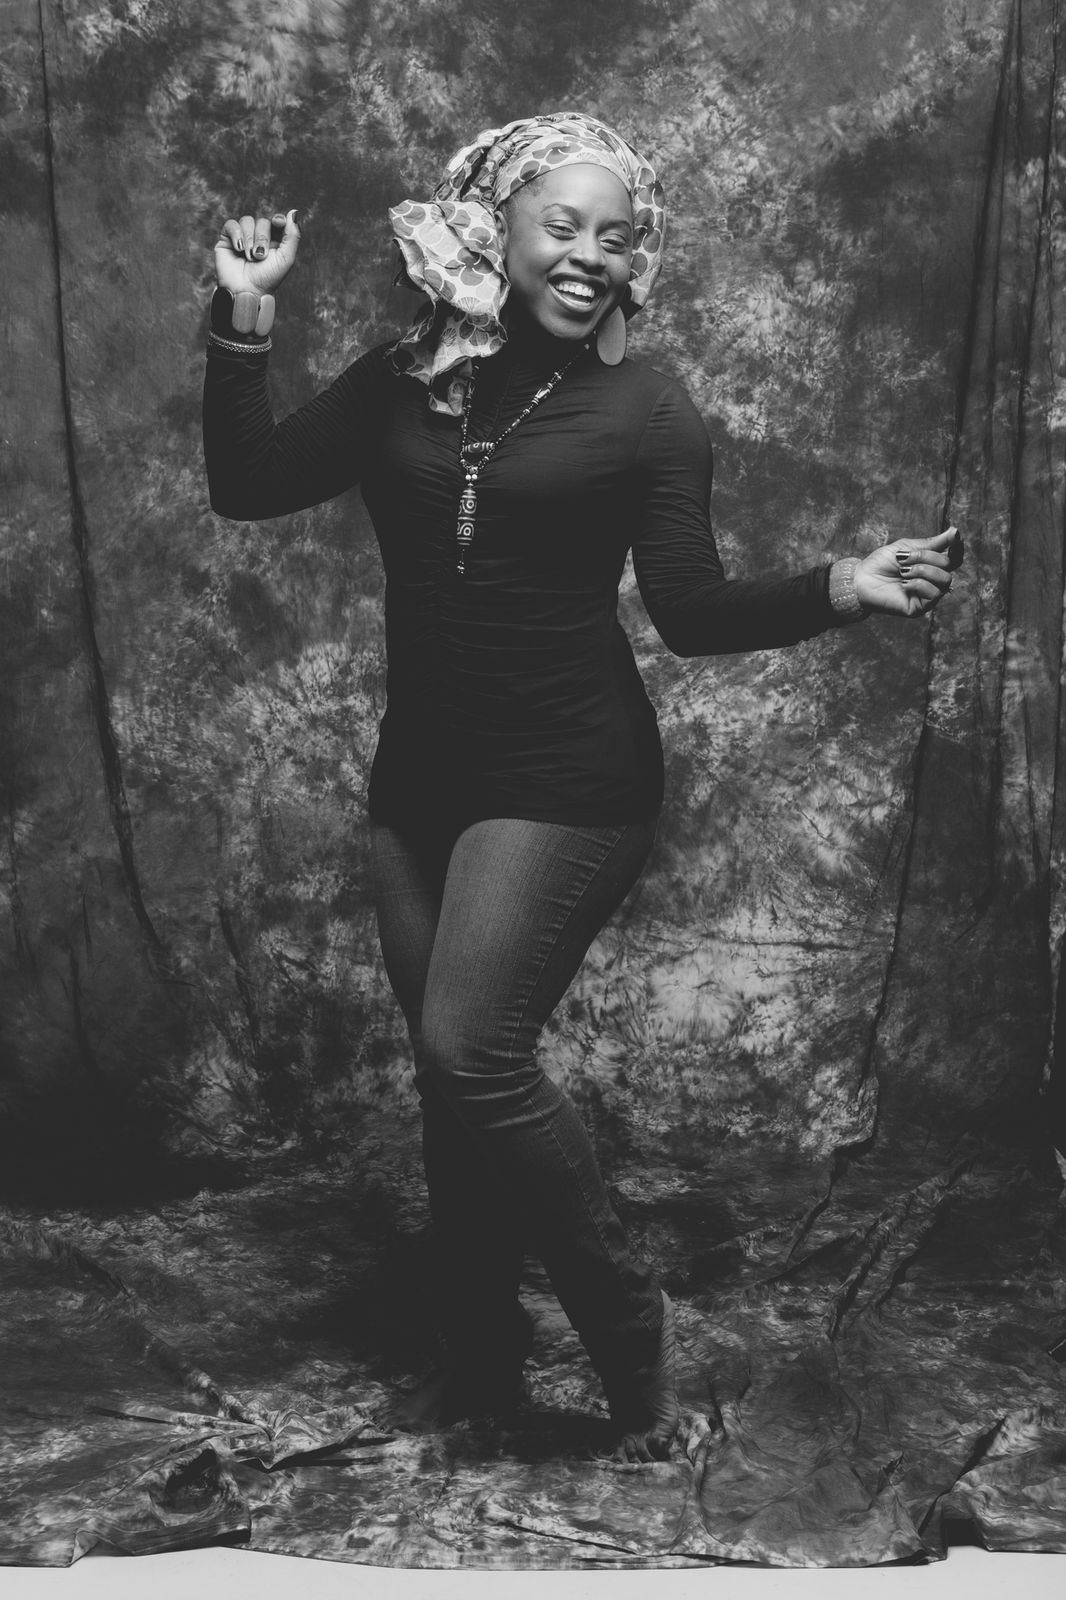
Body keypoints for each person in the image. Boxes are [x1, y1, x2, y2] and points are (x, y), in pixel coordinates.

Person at [203, 112, 959, 1464]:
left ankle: (626, 1328)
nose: (591, 255)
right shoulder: (400, 379)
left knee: (471, 1049)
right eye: (564, 225)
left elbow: (691, 610)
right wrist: (243, 319)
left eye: (617, 236)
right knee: (451, 1089)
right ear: (492, 228)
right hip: (418, 784)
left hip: (570, 775)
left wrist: (842, 586)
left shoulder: (649, 407)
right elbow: (246, 484)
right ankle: (483, 1365)